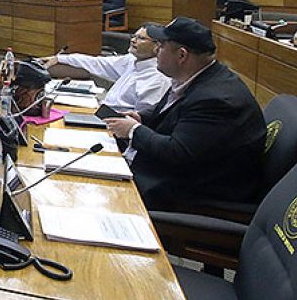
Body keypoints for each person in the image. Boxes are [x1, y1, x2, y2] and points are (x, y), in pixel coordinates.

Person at [105, 18, 266, 210]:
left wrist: (134, 130)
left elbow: (177, 152)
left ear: (182, 55)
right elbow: (174, 114)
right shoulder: (194, 76)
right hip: (169, 173)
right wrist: (142, 118)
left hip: (190, 192)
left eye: (162, 46)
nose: (156, 51)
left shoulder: (215, 100)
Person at [41, 26, 169, 113]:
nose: (133, 41)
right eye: (133, 36)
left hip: (115, 126)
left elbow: (141, 120)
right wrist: (60, 58)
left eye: (140, 38)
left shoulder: (158, 79)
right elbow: (97, 62)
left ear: (157, 46)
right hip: (101, 111)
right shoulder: (131, 60)